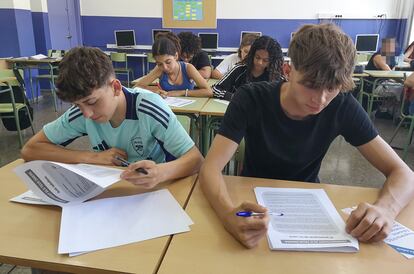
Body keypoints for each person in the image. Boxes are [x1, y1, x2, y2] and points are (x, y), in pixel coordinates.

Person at [199, 24, 414, 248]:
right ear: (288, 71)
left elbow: (404, 174)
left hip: (309, 206)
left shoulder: (342, 105)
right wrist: (227, 215)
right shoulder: (251, 98)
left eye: (332, 87)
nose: (320, 100)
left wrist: (386, 209)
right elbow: (210, 168)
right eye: (310, 85)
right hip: (252, 200)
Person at [21, 47, 204, 189]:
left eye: (91, 101)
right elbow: (30, 149)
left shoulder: (149, 107)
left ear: (116, 87)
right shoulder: (83, 111)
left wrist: (160, 173)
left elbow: (196, 160)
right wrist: (91, 157)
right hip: (110, 191)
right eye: (77, 105)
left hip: (154, 191)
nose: (87, 114)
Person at [135, 32, 212, 98]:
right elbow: (136, 87)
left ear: (176, 56)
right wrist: (154, 90)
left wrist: (182, 92)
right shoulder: (159, 70)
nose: (165, 67)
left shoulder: (188, 68)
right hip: (167, 108)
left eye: (168, 62)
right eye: (159, 64)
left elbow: (209, 92)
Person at [212, 35, 284, 101]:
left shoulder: (275, 76)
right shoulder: (239, 69)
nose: (260, 62)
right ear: (252, 55)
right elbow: (215, 89)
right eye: (257, 57)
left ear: (272, 61)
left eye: (265, 60)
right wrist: (235, 97)